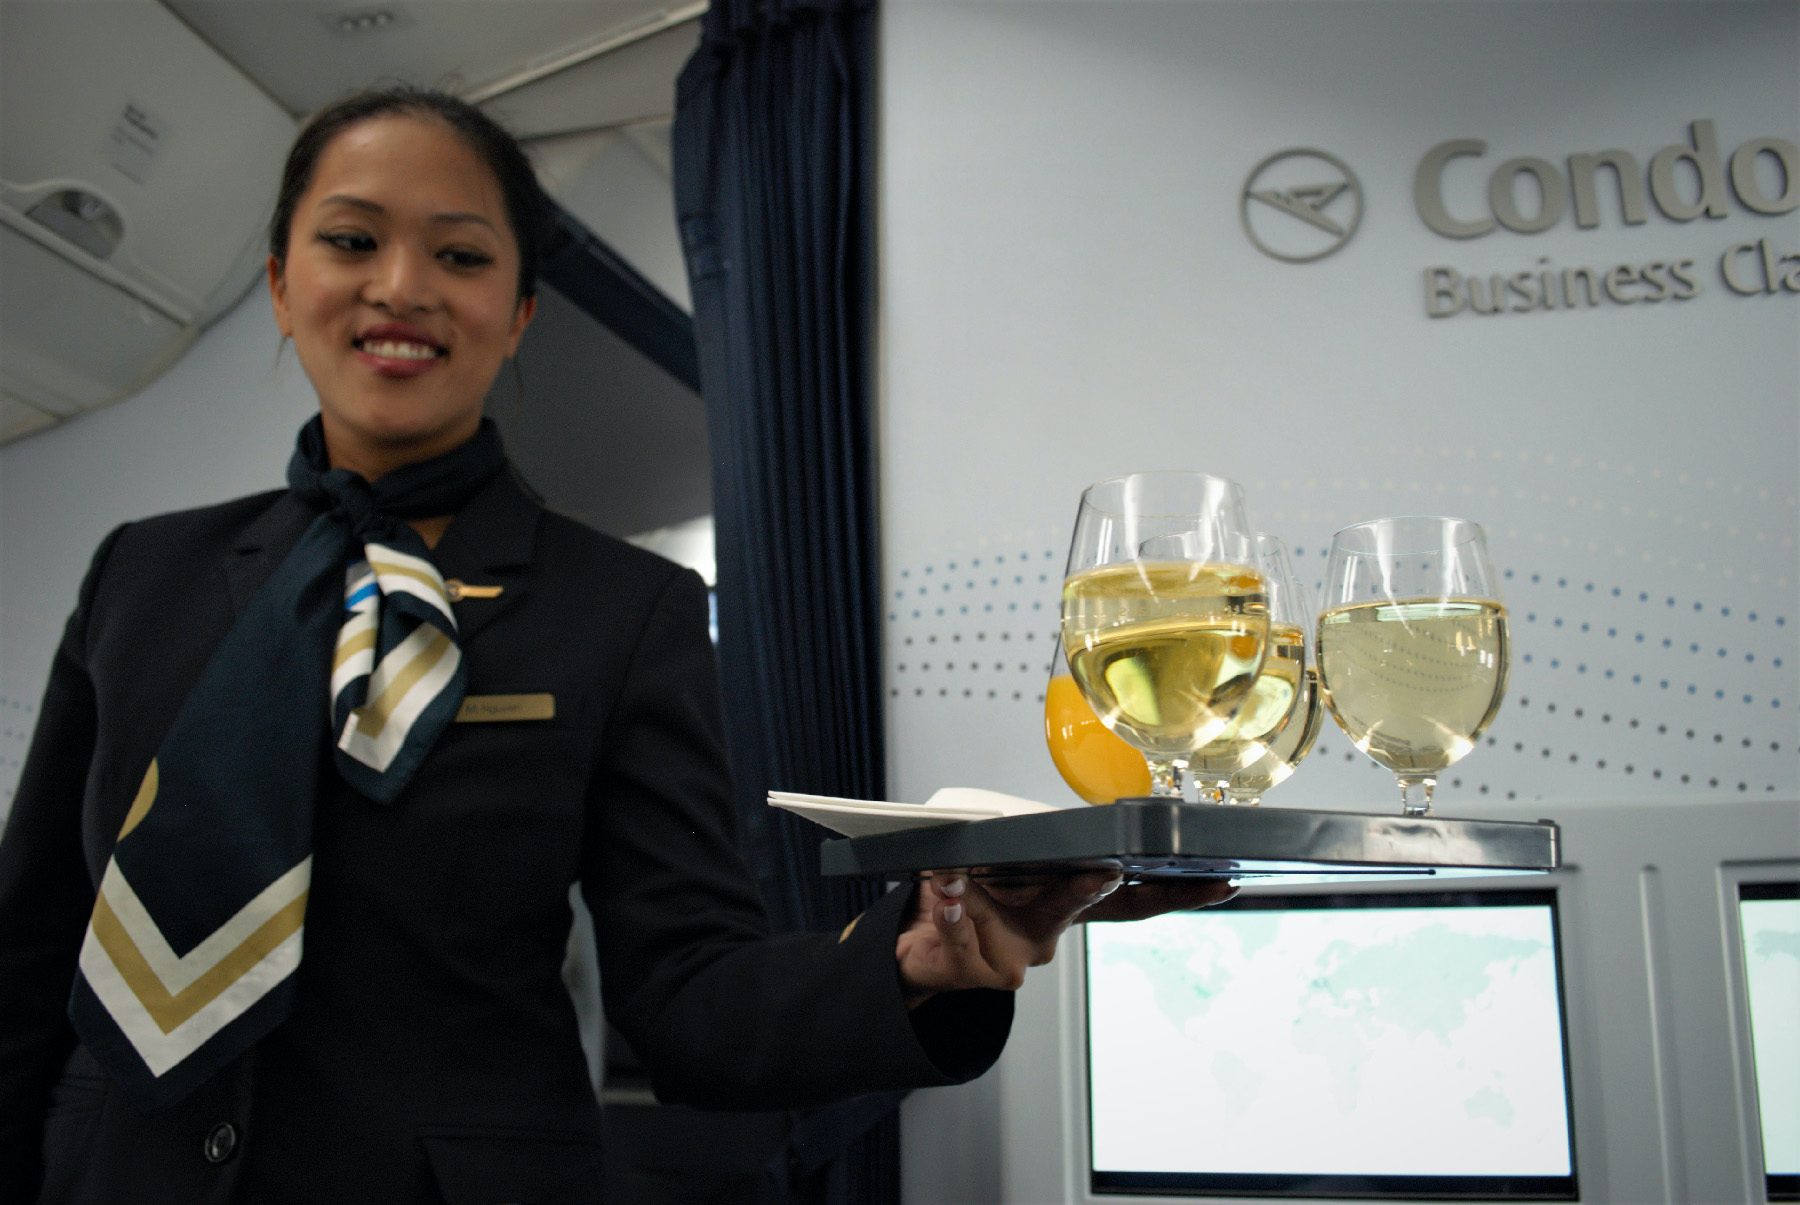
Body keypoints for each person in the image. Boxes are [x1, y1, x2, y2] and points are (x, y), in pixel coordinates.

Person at [0, 87, 1233, 1204]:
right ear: (279, 283)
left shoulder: (620, 609)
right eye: (351, 239)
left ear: (518, 310)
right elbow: (31, 948)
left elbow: (689, 998)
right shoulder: (140, 574)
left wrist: (916, 960)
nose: (402, 285)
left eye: (462, 254)